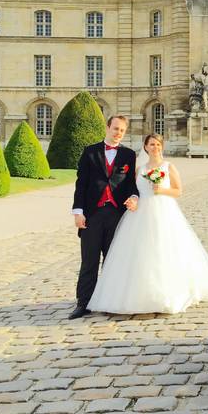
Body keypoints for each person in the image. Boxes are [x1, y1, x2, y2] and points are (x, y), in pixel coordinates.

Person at [87, 134, 208, 315]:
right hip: (141, 213)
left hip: (164, 211)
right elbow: (134, 190)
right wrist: (133, 200)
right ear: (145, 147)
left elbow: (178, 191)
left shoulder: (169, 167)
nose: (155, 147)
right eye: (151, 144)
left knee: (165, 251)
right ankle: (136, 294)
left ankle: (167, 293)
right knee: (140, 253)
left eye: (158, 144)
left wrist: (162, 190)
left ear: (162, 147)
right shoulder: (140, 169)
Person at [70, 116, 140, 320]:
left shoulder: (128, 155)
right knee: (89, 261)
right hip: (92, 214)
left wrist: (134, 198)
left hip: (116, 215)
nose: (118, 133)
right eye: (116, 128)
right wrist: (78, 211)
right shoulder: (90, 151)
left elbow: (130, 185)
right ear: (108, 127)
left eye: (122, 130)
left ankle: (111, 301)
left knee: (112, 261)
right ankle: (83, 303)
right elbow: (81, 184)